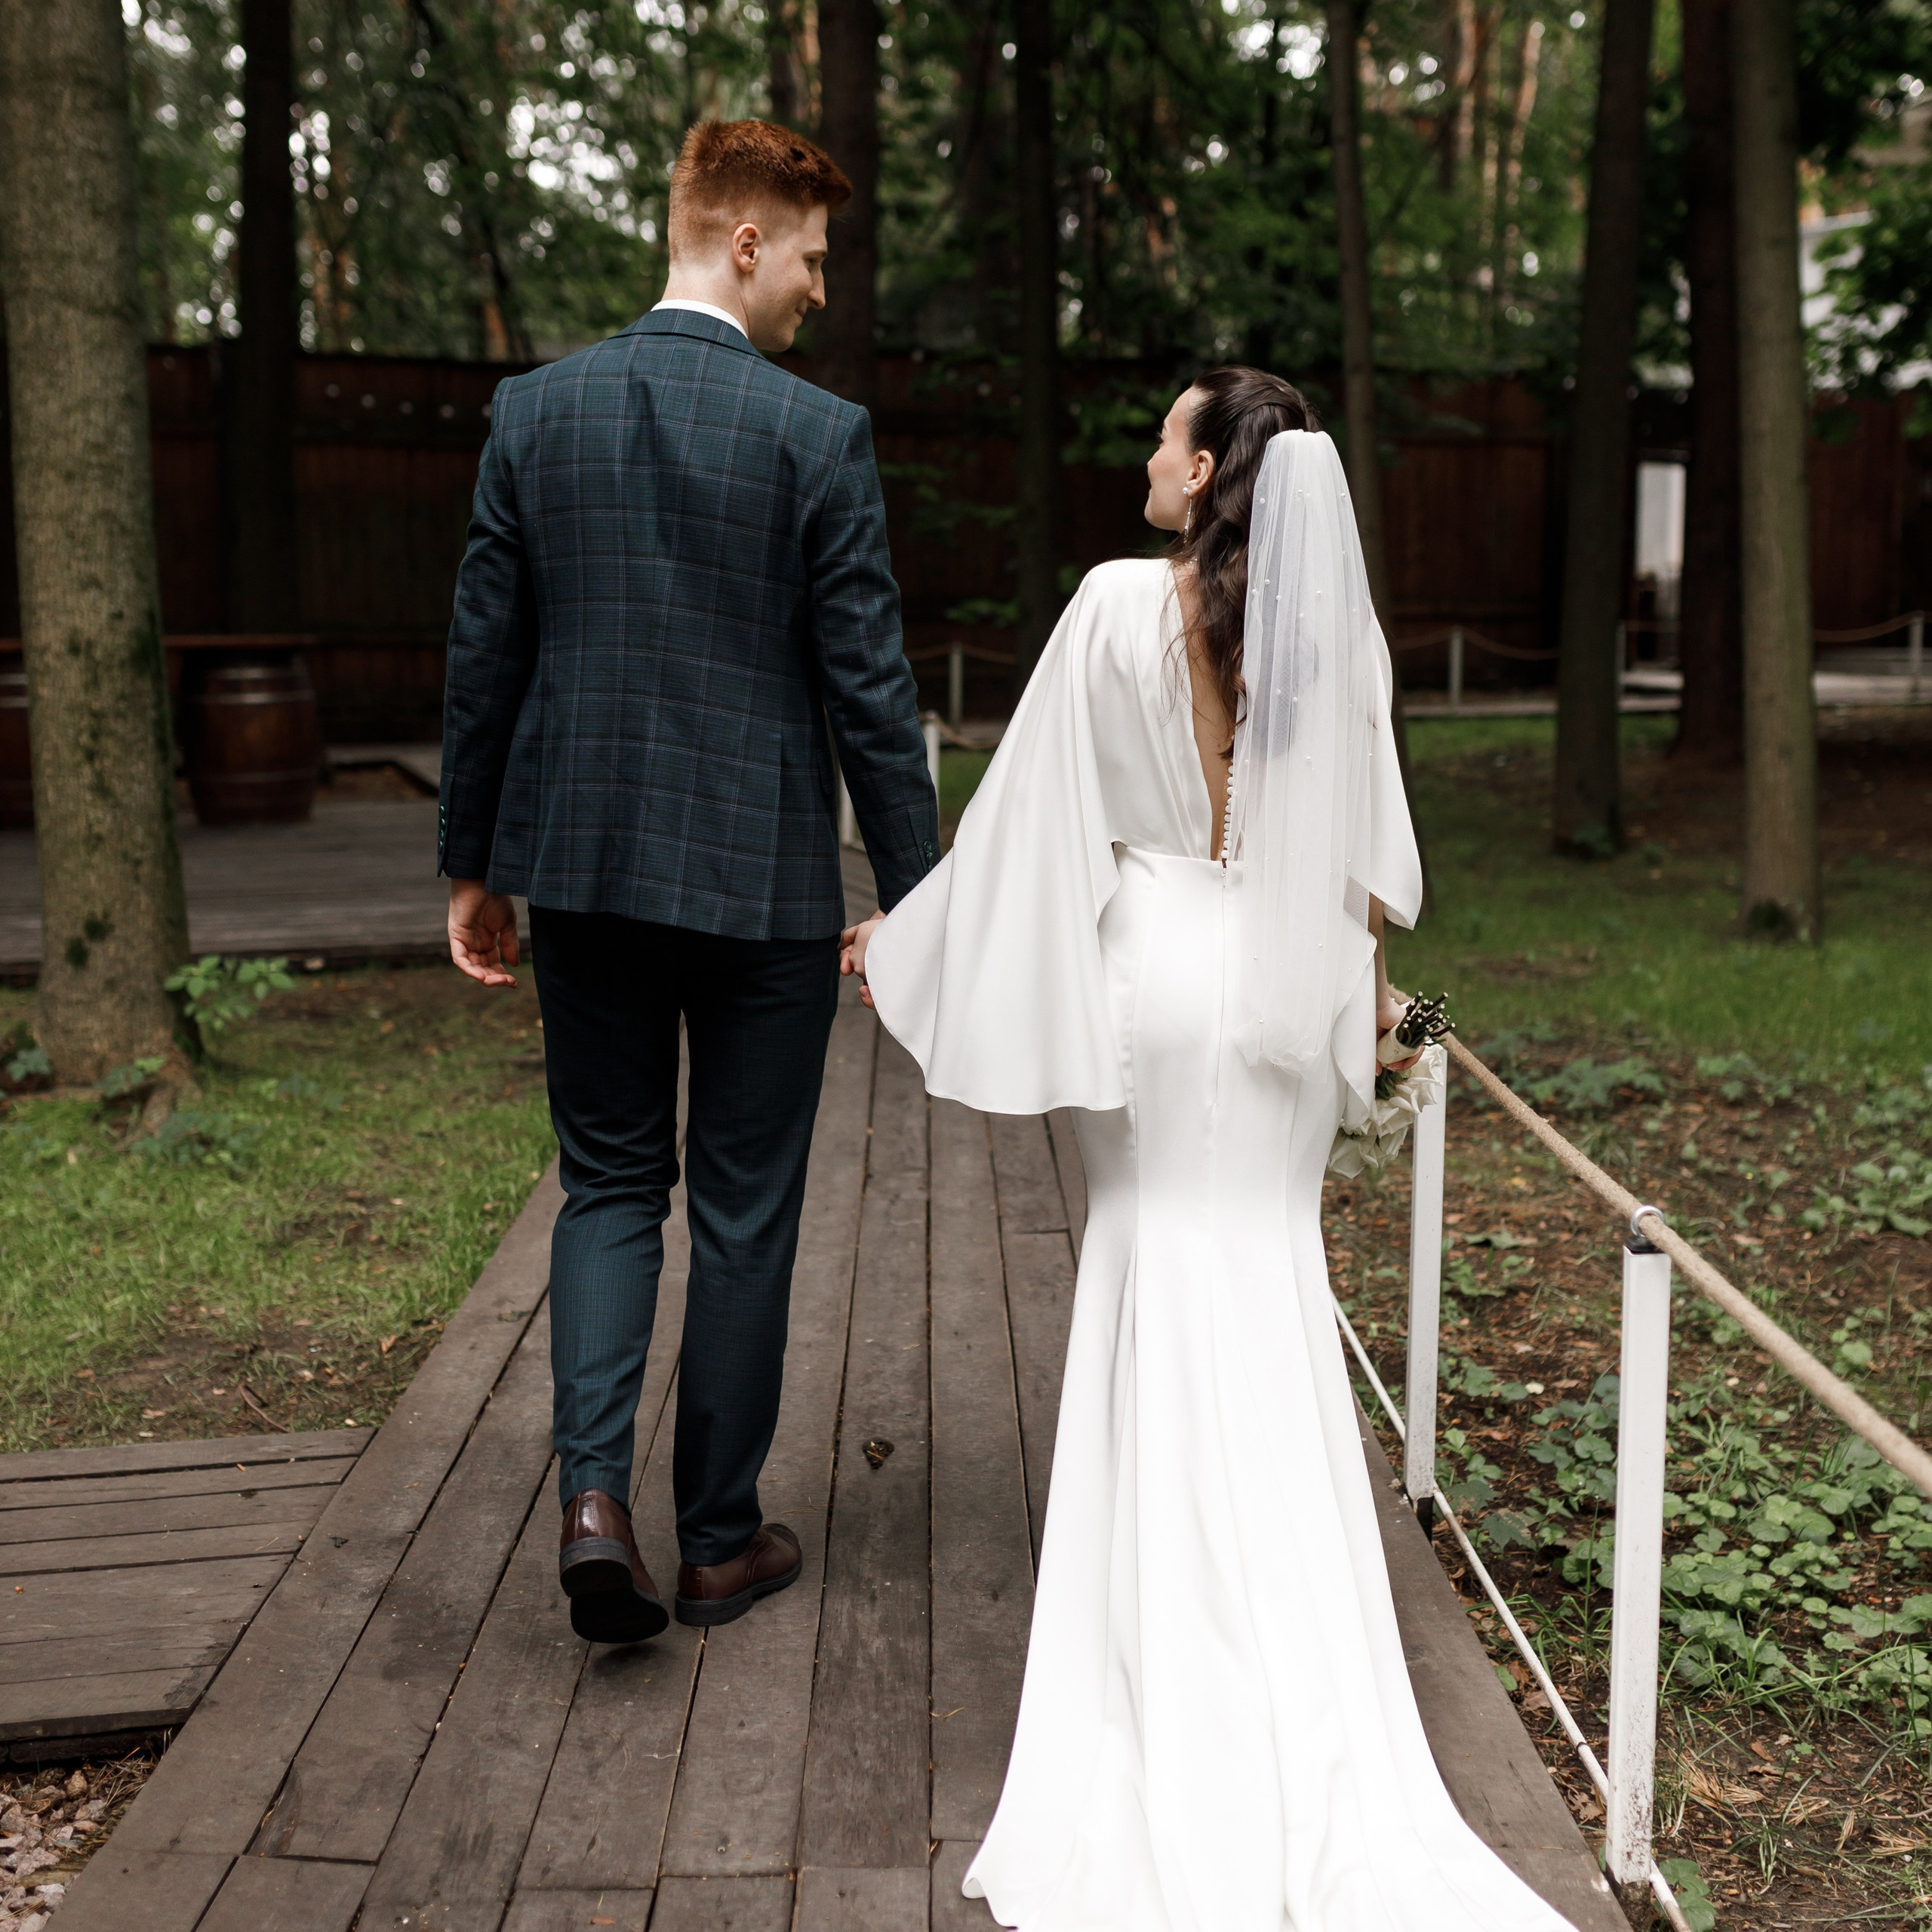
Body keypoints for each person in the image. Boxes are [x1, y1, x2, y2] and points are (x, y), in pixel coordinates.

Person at [851, 368, 1579, 1930]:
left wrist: (903, 937)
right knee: (1262, 1281)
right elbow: (1371, 882)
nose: (1142, 452)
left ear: (1206, 472)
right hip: (1287, 993)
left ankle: (1161, 1674)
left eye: (1165, 434)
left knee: (1149, 1269)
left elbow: (1026, 822)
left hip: (1156, 979)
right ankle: (1299, 1676)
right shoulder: (1326, 637)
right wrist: (1386, 1023)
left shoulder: (1115, 605)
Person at [439, 119, 939, 1645]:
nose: (815, 291)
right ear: (737, 241)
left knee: (605, 1183)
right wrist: (920, 897)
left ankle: (596, 1500)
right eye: (807, 257)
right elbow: (868, 689)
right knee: (740, 1213)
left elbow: (485, 655)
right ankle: (715, 1539)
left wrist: (473, 857)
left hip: (578, 866)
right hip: (759, 889)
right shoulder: (815, 436)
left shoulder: (534, 413)